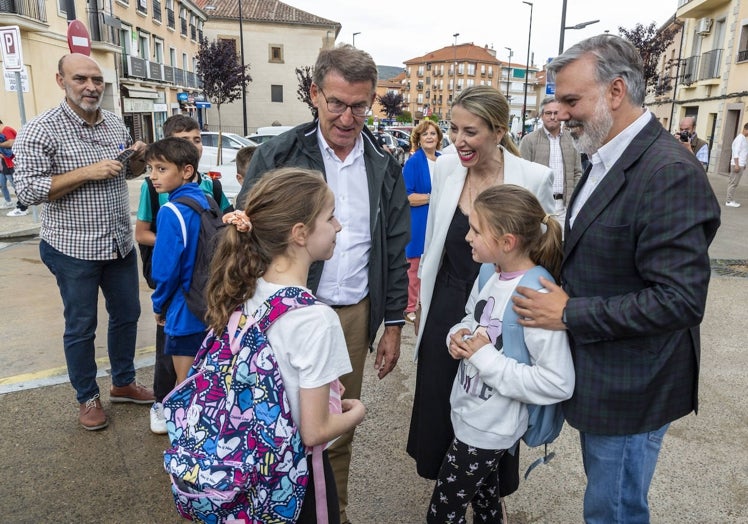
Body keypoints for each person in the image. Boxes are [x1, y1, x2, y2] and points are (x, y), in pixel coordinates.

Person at [511, 35, 721, 523]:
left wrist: (568, 312)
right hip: (606, 377)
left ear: (615, 91)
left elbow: (680, 300)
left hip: (635, 388)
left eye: (570, 100)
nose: (560, 113)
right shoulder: (605, 156)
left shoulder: (668, 172)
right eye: (558, 101)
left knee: (615, 512)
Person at [236, 44, 409, 524]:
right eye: (336, 103)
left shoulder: (383, 162)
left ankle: (332, 512)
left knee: (332, 429)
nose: (348, 117)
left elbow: (394, 247)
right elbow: (245, 233)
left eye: (360, 105)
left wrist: (392, 322)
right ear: (314, 94)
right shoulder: (279, 154)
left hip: (351, 313)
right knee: (275, 421)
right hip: (282, 314)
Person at [407, 84, 554, 516]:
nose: (458, 140)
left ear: (498, 130)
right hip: (448, 309)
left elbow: (544, 248)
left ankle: (481, 500)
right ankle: (461, 492)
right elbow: (434, 244)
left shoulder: (531, 177)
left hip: (502, 315)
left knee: (494, 406)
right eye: (453, 129)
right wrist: (422, 308)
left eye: (470, 131)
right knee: (442, 409)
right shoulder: (447, 172)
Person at [207, 167, 366, 523]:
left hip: (250, 470)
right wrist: (356, 413)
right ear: (300, 233)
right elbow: (314, 430)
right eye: (330, 216)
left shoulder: (244, 291)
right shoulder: (315, 319)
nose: (338, 226)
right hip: (296, 478)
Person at [13, 53, 154, 431]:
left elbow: (129, 172)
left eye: (97, 80)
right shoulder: (39, 130)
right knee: (81, 325)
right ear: (61, 81)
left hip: (118, 243)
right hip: (72, 248)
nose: (91, 87)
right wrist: (85, 172)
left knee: (127, 316)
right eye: (81, 79)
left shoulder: (113, 124)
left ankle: (122, 382)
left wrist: (138, 159)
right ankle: (87, 397)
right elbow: (25, 190)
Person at [427, 184, 574, 523]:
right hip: (470, 416)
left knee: (441, 515)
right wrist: (458, 335)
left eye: (476, 230)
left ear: (507, 242)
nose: (467, 238)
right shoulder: (488, 273)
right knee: (486, 506)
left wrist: (483, 358)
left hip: (490, 430)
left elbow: (558, 382)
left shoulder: (534, 297)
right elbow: (473, 319)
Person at [134, 114, 233, 434]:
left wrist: (159, 306)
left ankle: (187, 447)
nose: (152, 177)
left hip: (181, 309)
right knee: (210, 381)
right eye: (150, 169)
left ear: (186, 171)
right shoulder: (205, 200)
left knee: (185, 387)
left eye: (161, 169)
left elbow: (165, 270)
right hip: (209, 302)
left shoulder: (171, 210)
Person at [402, 120, 443, 323]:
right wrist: (432, 197)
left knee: (435, 263)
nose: (429, 137)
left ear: (438, 138)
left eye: (433, 133)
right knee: (414, 267)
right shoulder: (413, 162)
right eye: (425, 134)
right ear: (418, 138)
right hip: (419, 221)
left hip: (439, 220)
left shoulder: (444, 161)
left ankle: (427, 303)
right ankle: (410, 306)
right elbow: (407, 196)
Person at [520, 97, 582, 227]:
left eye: (556, 113)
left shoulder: (572, 139)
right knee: (539, 246)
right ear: (542, 116)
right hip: (539, 208)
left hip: (565, 208)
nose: (553, 117)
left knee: (563, 246)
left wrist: (573, 201)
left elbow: (577, 172)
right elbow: (522, 175)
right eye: (548, 113)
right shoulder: (529, 140)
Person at [0, 118, 29, 216]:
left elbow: (12, 142)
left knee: (18, 186)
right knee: (16, 186)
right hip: (9, 163)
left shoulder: (6, 130)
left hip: (14, 163)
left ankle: (22, 208)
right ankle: (21, 207)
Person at [726, 122, 748, 208]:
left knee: (734, 183)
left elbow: (743, 153)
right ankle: (728, 201)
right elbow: (736, 152)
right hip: (737, 164)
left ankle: (730, 199)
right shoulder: (740, 139)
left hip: (740, 163)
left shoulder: (743, 138)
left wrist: (744, 163)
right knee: (733, 183)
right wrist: (737, 165)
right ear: (746, 129)